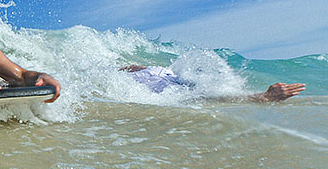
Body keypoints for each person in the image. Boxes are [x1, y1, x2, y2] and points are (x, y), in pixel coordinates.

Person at [120, 65, 305, 102]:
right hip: (166, 81)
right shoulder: (140, 72)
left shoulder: (176, 82)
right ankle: (262, 97)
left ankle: (263, 97)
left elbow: (212, 96)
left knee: (203, 94)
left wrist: (263, 97)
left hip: (175, 85)